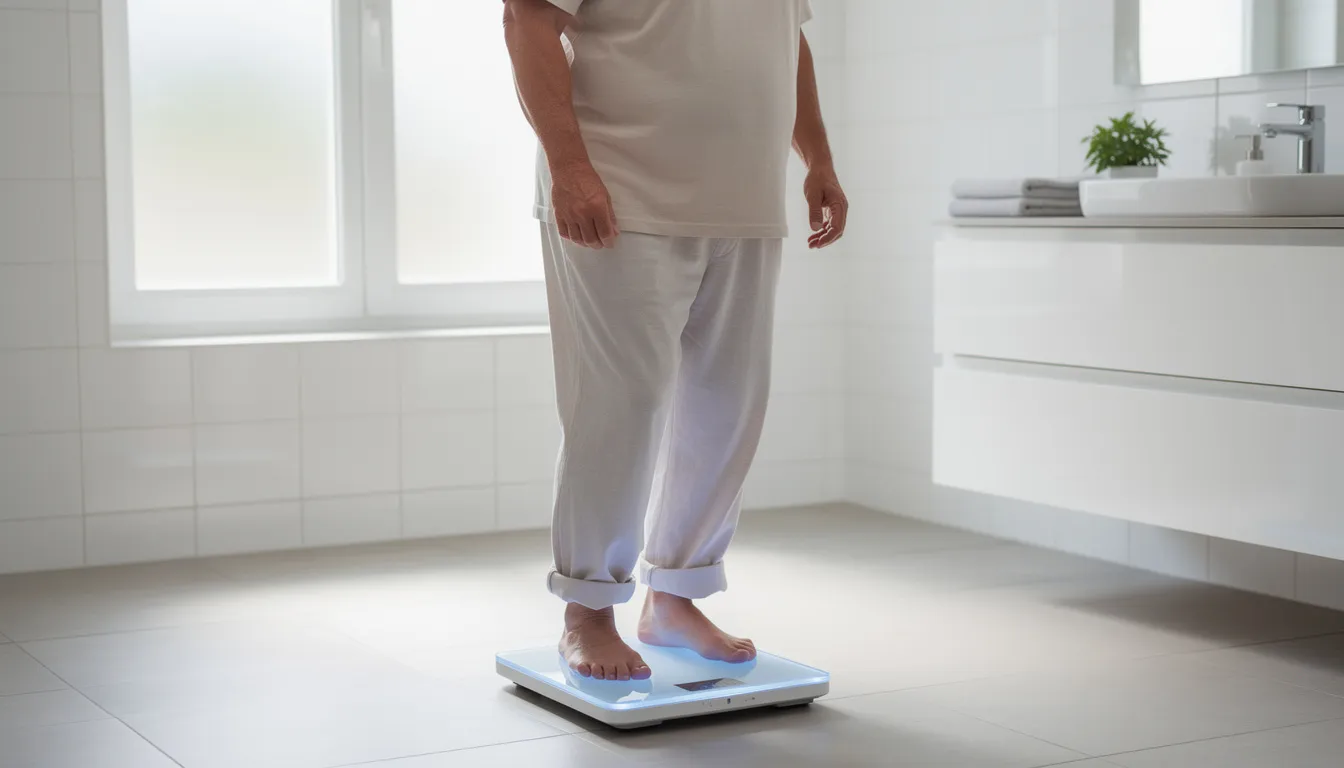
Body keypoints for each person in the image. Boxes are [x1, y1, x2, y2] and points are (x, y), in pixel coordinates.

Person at [503, 0, 847, 683]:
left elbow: (789, 44)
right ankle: (589, 610)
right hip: (618, 188)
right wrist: (569, 168)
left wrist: (819, 159)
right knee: (619, 407)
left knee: (728, 409)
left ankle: (677, 597)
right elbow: (526, 18)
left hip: (744, 197)